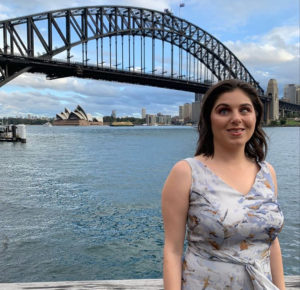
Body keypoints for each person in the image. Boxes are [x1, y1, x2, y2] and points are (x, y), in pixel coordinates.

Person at [162, 79, 285, 290]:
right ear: (209, 118)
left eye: (245, 110)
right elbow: (172, 250)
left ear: (255, 116)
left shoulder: (267, 172)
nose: (236, 118)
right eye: (224, 111)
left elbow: (271, 242)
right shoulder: (186, 172)